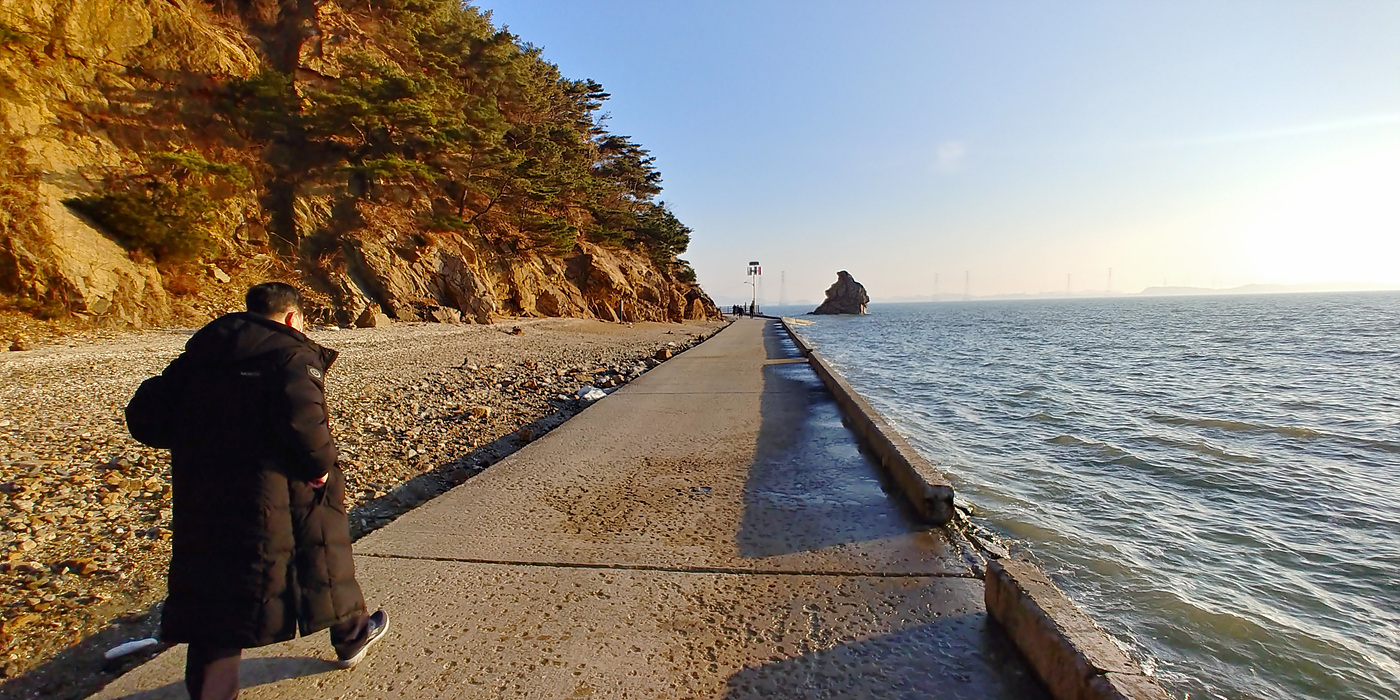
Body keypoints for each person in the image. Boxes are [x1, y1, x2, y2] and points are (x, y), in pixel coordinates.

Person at [126, 282, 387, 700]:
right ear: (292, 318)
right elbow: (306, 424)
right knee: (323, 552)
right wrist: (320, 469)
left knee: (216, 588)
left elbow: (145, 419)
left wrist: (201, 438)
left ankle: (211, 692)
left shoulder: (202, 354)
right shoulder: (291, 355)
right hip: (276, 489)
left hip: (204, 492)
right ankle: (352, 636)